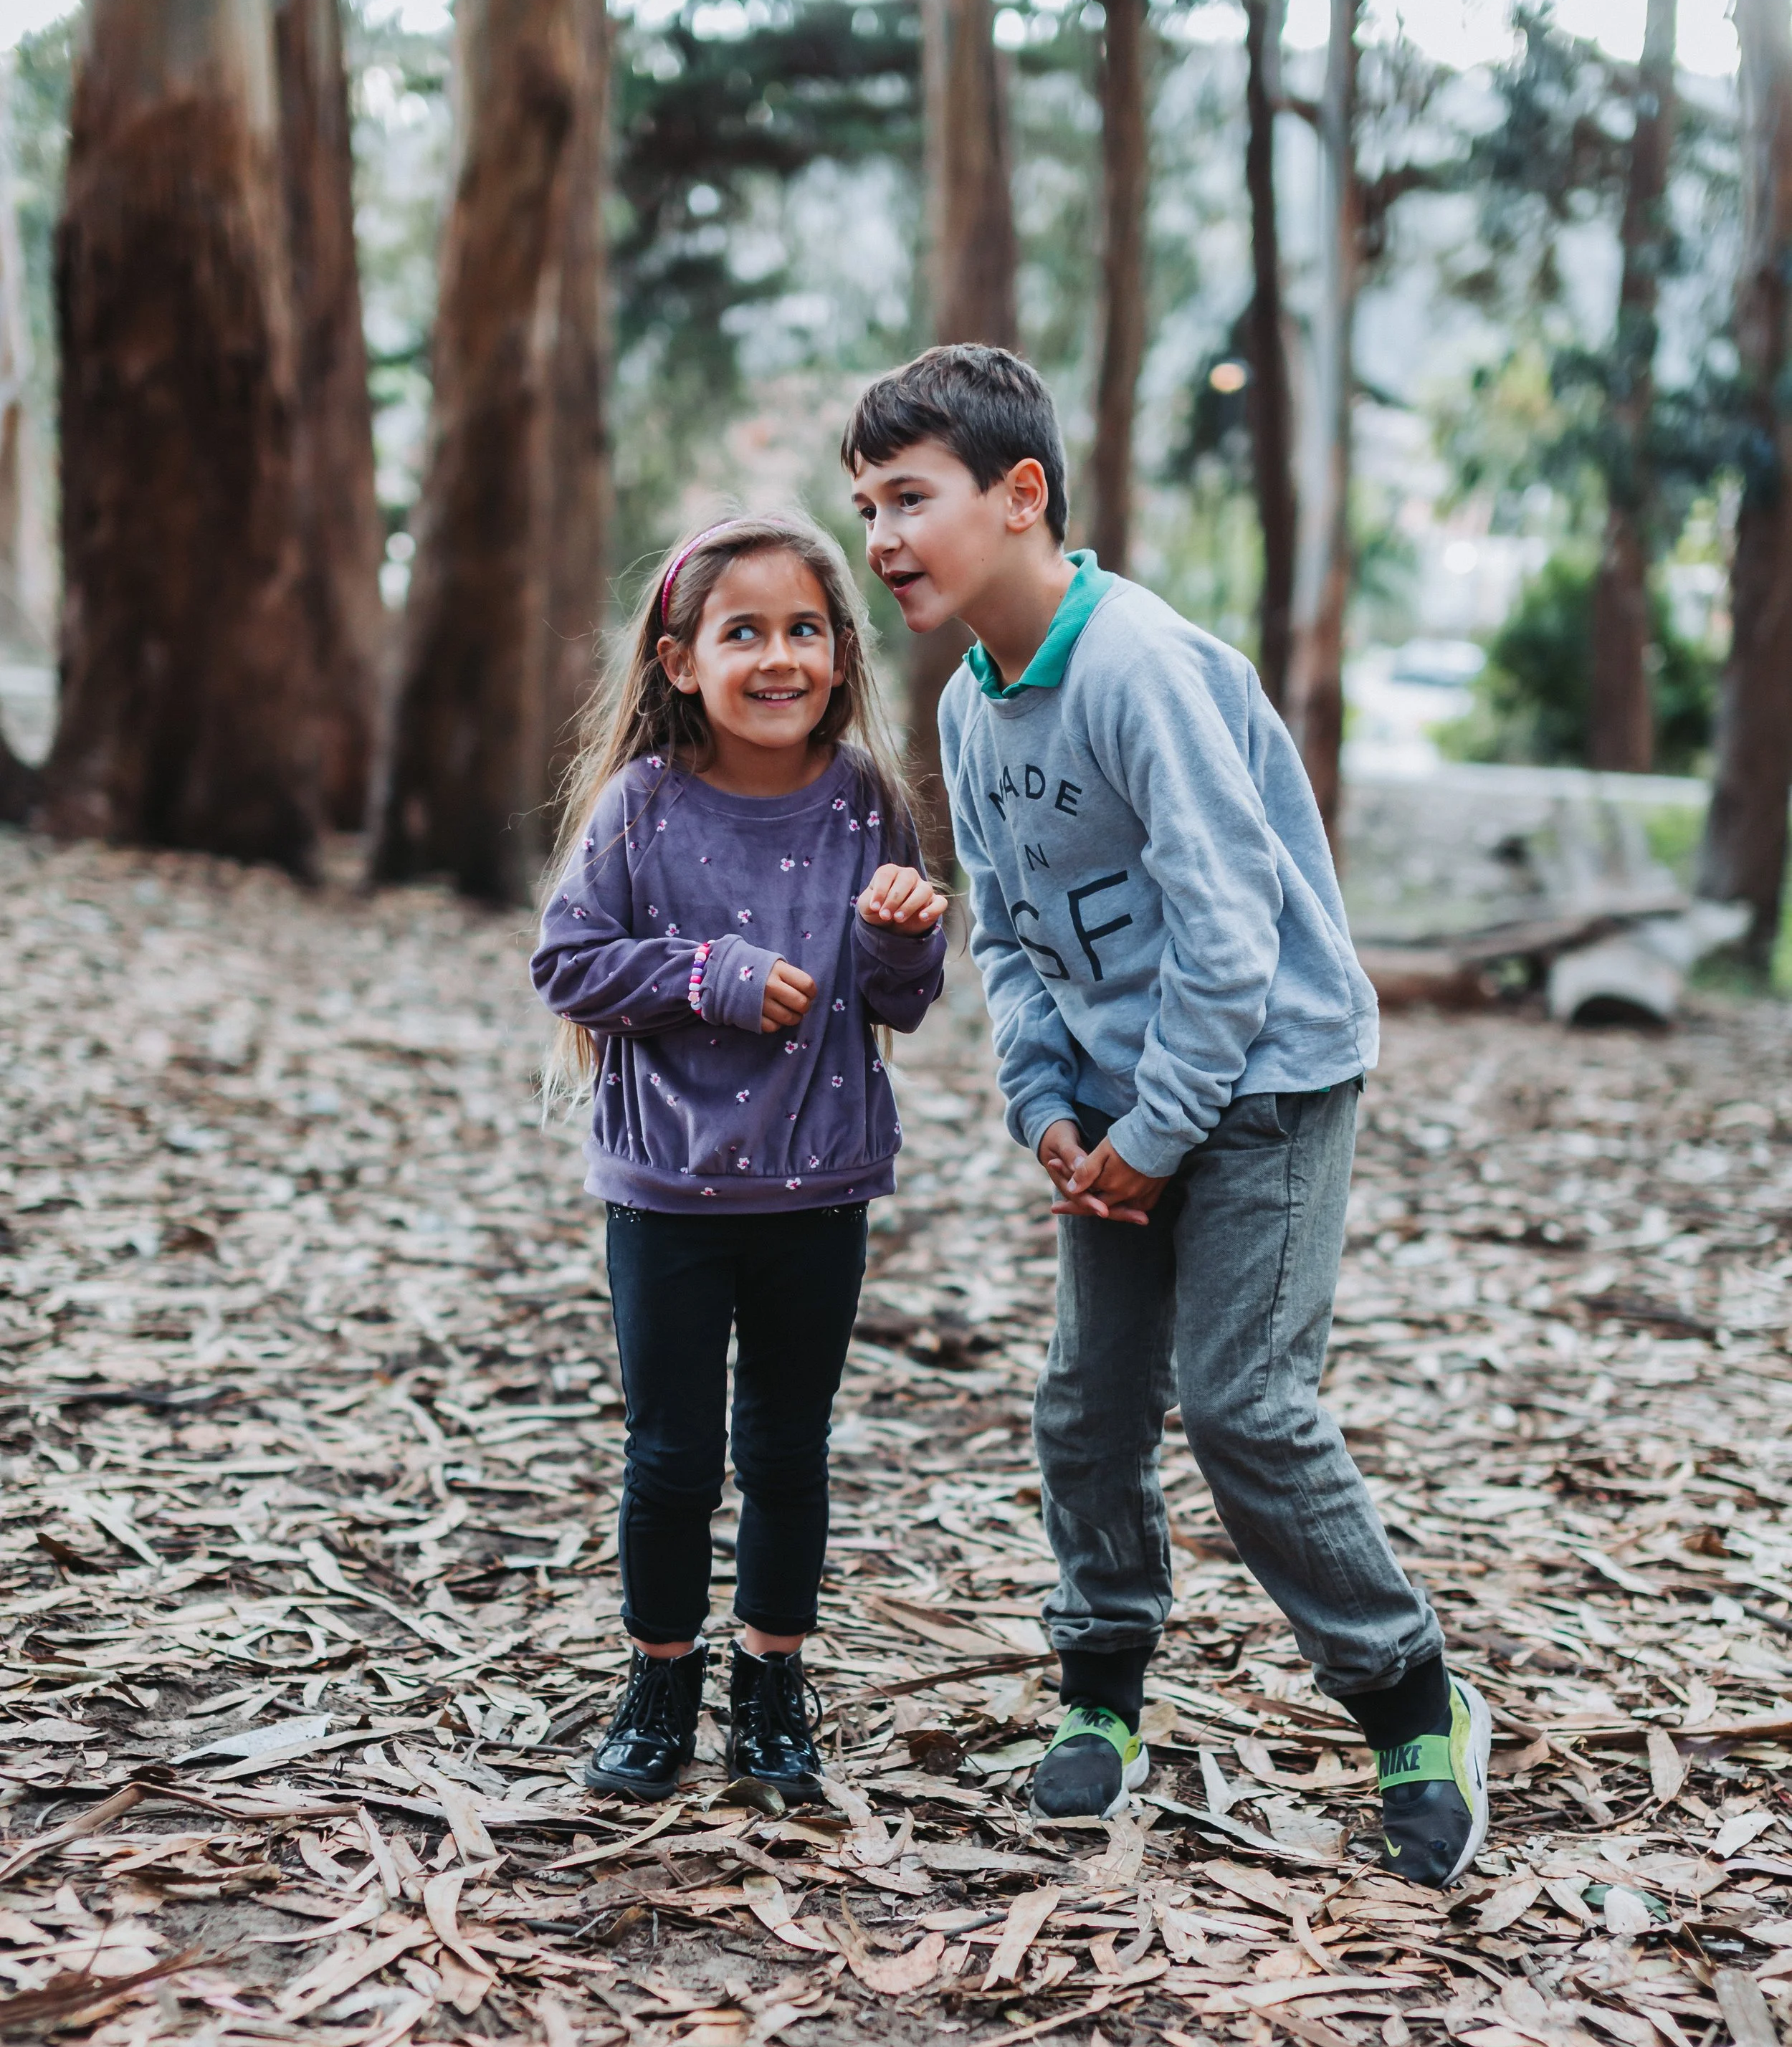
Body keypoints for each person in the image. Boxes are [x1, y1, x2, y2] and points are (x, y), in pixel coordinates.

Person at [843, 345, 1490, 1886]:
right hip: (1117, 1106)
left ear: (1020, 495)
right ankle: (1101, 1693)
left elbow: (1232, 929)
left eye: (909, 499)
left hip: (1262, 1083)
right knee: (1086, 1405)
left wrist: (1159, 1128)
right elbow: (1009, 937)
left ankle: (1413, 1701)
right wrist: (1048, 1109)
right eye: (864, 508)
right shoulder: (970, 707)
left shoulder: (1142, 667)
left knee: (1243, 1404)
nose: (881, 538)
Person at [532, 513, 947, 1804]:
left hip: (818, 1189)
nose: (779, 657)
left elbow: (903, 997)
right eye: (744, 631)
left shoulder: (867, 801)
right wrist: (707, 974)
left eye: (805, 629)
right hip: (667, 1191)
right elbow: (568, 963)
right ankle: (660, 1682)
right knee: (669, 1455)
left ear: (841, 654)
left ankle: (772, 1689)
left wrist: (899, 935)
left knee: (785, 1449)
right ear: (680, 659)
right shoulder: (641, 806)